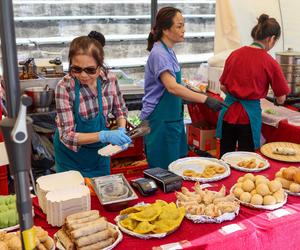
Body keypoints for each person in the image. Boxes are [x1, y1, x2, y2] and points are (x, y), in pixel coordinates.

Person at [141, 7, 225, 169]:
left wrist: (195, 91)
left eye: (183, 25)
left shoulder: (168, 51)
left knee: (177, 167)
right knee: (164, 172)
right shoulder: (159, 53)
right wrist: (205, 99)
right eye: (179, 26)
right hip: (161, 121)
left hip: (173, 119)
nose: (183, 30)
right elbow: (172, 87)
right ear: (165, 29)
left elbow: (177, 85)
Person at [54, 31, 131, 178]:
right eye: (76, 69)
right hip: (70, 158)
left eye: (90, 70)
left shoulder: (110, 80)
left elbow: (120, 110)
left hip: (99, 156)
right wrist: (104, 135)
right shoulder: (64, 87)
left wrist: (121, 129)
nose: (83, 75)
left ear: (100, 65)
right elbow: (66, 135)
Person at [216, 14, 290, 157]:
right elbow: (281, 98)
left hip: (228, 112)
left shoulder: (234, 54)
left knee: (226, 156)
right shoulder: (270, 62)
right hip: (248, 117)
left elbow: (223, 87)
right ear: (271, 39)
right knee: (245, 160)